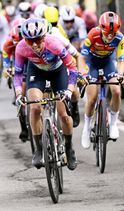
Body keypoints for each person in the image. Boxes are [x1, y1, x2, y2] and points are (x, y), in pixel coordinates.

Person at [14, 18, 78, 170]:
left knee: (63, 114)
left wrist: (69, 91)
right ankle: (38, 149)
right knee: (35, 107)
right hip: (37, 72)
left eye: (37, 40)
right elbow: (17, 74)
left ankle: (69, 148)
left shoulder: (54, 43)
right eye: (30, 41)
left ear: (44, 37)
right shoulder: (21, 47)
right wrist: (18, 93)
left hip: (58, 72)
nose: (34, 45)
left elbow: (73, 68)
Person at [79, 11, 124, 149]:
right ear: (101, 29)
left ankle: (113, 123)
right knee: (92, 98)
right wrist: (83, 74)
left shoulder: (120, 38)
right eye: (107, 34)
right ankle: (86, 128)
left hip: (108, 63)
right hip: (92, 63)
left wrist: (120, 76)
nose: (110, 37)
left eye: (114, 33)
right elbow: (81, 58)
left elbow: (120, 60)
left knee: (116, 90)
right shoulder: (92, 34)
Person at [45, 6, 81, 128]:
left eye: (54, 23)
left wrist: (78, 71)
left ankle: (74, 107)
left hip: (61, 60)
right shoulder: (40, 29)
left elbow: (72, 52)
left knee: (73, 89)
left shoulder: (58, 31)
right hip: (44, 64)